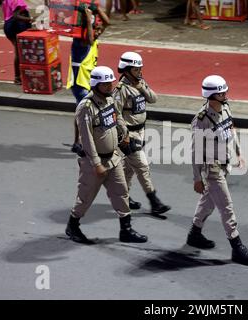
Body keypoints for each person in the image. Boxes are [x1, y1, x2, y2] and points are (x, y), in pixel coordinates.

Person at [66, 66, 148, 245]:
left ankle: (125, 230)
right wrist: (96, 164)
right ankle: (73, 225)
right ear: (95, 85)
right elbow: (86, 139)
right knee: (85, 196)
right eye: (105, 84)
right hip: (94, 163)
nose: (110, 86)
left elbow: (117, 116)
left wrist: (124, 132)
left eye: (110, 83)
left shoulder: (109, 99)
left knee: (122, 192)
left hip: (114, 157)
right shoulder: (86, 107)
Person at [188, 75, 248, 266]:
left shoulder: (225, 108)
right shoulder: (201, 120)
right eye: (221, 92)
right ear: (212, 95)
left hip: (224, 163)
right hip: (212, 169)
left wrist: (238, 151)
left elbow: (231, 129)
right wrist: (197, 178)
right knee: (226, 208)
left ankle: (194, 234)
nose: (225, 94)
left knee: (208, 203)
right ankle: (237, 246)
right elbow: (195, 151)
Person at [113, 52, 171, 215]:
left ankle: (123, 197)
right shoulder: (120, 90)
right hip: (129, 134)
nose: (139, 72)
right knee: (142, 167)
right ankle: (154, 202)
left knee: (129, 169)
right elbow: (116, 115)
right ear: (126, 69)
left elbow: (153, 99)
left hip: (141, 131)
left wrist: (142, 87)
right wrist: (124, 136)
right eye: (136, 69)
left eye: (140, 68)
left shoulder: (140, 83)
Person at [67, 5, 109, 155]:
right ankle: (85, 143)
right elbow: (90, 38)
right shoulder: (81, 41)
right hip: (79, 83)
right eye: (96, 29)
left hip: (87, 82)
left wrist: (97, 10)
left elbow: (107, 22)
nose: (99, 31)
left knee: (81, 111)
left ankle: (77, 142)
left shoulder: (93, 37)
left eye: (98, 29)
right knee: (86, 112)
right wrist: (88, 17)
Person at [2, 0, 34, 85]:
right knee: (19, 53)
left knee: (20, 52)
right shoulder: (18, 1)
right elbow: (16, 16)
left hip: (8, 26)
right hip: (16, 27)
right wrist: (30, 19)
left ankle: (22, 75)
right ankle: (17, 77)